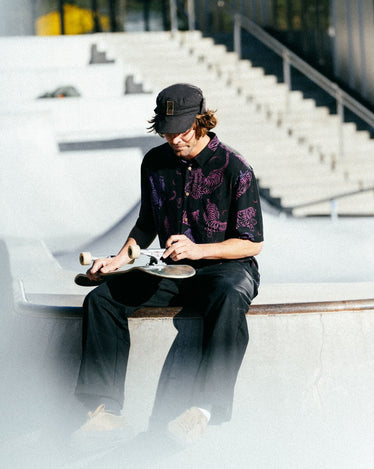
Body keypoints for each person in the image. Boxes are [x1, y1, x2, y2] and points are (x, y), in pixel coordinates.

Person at [74, 83, 264, 445]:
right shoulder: (155, 162)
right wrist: (119, 259)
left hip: (227, 268)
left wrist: (199, 250)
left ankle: (204, 409)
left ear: (202, 122)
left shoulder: (235, 168)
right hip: (172, 268)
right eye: (167, 130)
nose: (174, 138)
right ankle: (105, 410)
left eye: (182, 130)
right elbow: (147, 222)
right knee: (102, 300)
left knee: (228, 297)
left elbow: (252, 242)